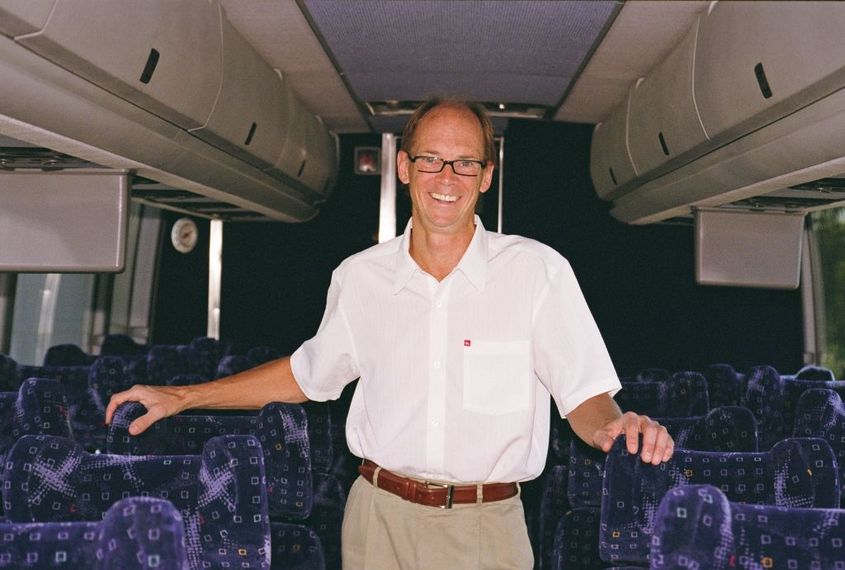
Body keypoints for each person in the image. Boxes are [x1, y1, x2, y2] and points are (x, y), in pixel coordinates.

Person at [106, 98, 673, 570]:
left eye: (464, 163)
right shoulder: (360, 278)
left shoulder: (538, 272)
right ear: (404, 168)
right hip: (376, 520)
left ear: (487, 175)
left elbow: (584, 398)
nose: (446, 179)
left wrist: (614, 426)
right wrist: (181, 397)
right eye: (430, 161)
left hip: (486, 528)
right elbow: (306, 376)